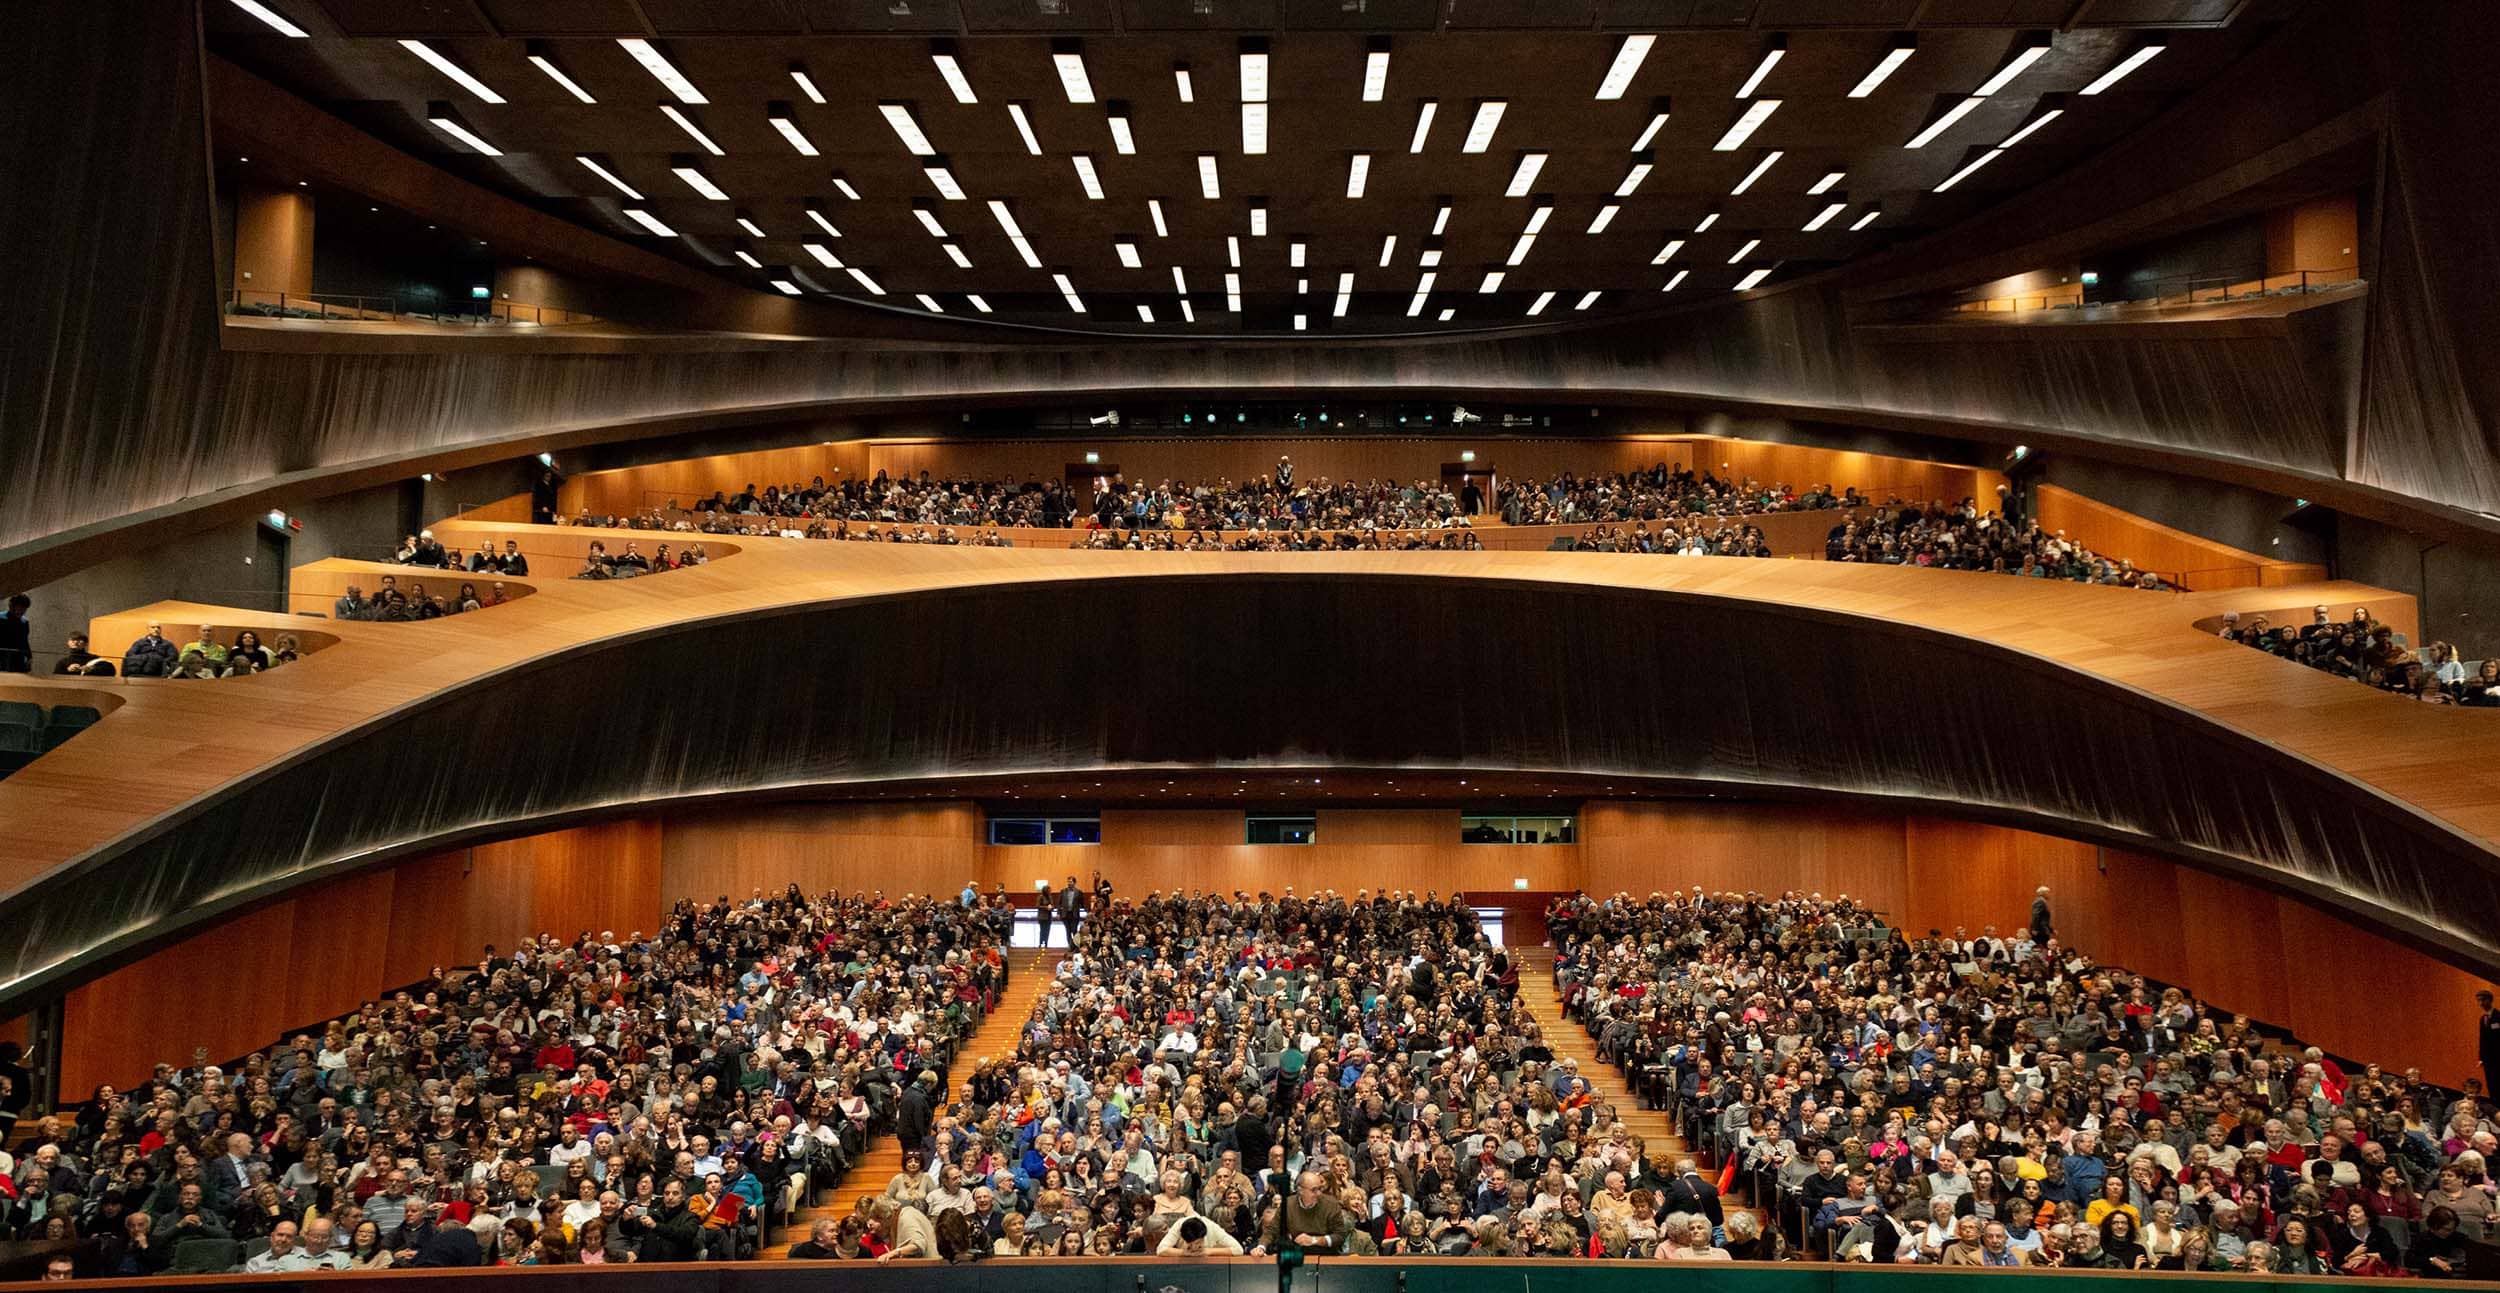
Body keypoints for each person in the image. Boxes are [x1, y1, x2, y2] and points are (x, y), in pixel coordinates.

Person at [0, 595, 29, 672]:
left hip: (18, 659)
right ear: (11, 606)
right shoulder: (1, 618)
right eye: (18, 608)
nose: (20, 611)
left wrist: (29, 657)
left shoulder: (24, 622)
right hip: (1, 657)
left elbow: (25, 641)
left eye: (23, 609)